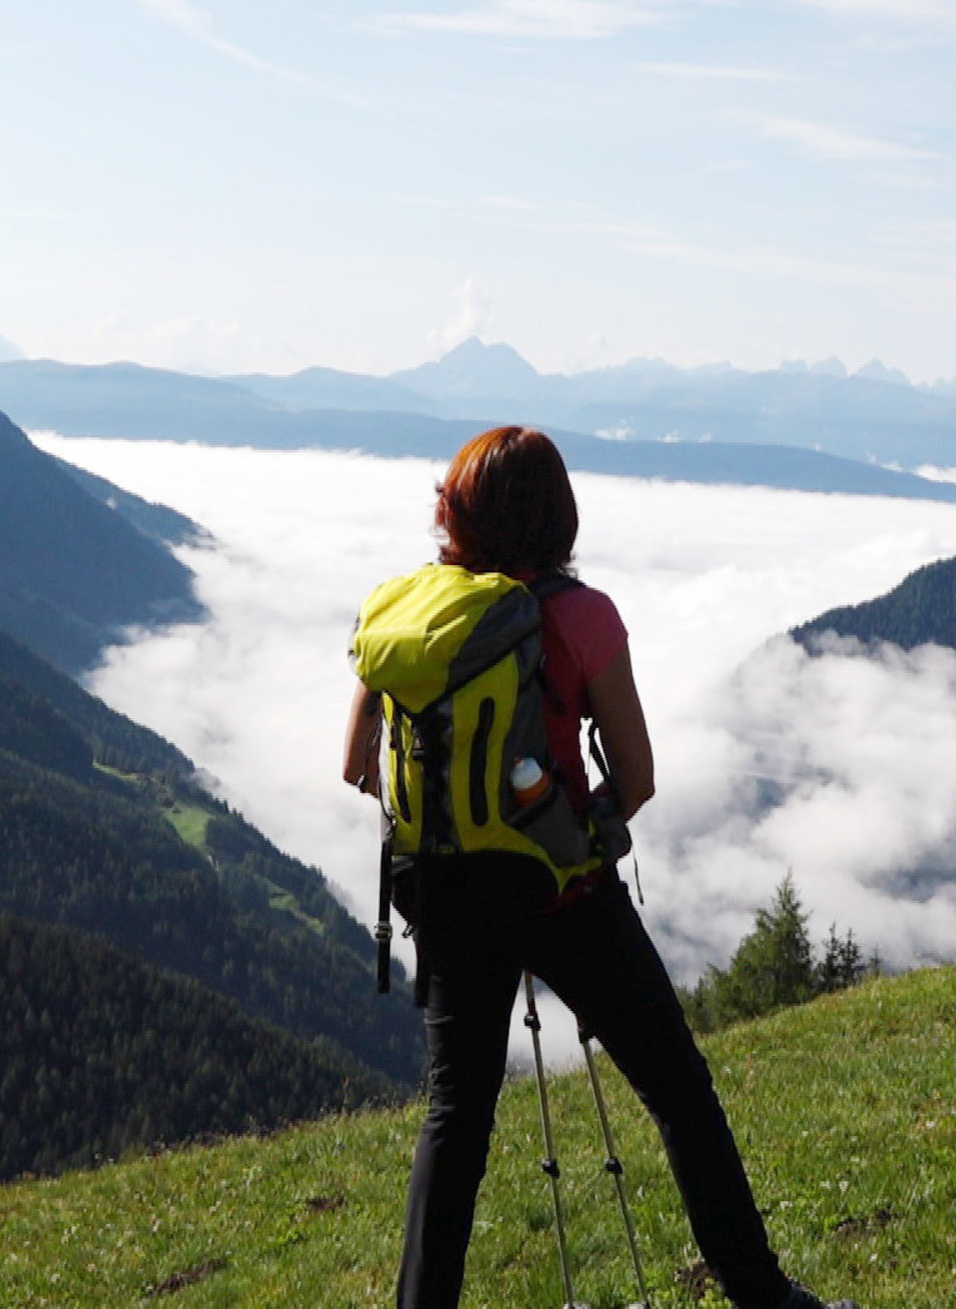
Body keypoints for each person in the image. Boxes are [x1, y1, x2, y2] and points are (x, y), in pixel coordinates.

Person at [342, 426, 854, 1309]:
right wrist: (571, 829)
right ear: (558, 514)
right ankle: (762, 1296)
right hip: (560, 893)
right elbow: (639, 777)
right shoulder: (579, 617)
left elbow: (356, 764)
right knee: (678, 1090)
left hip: (447, 897)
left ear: (455, 511)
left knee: (455, 1116)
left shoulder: (409, 616)